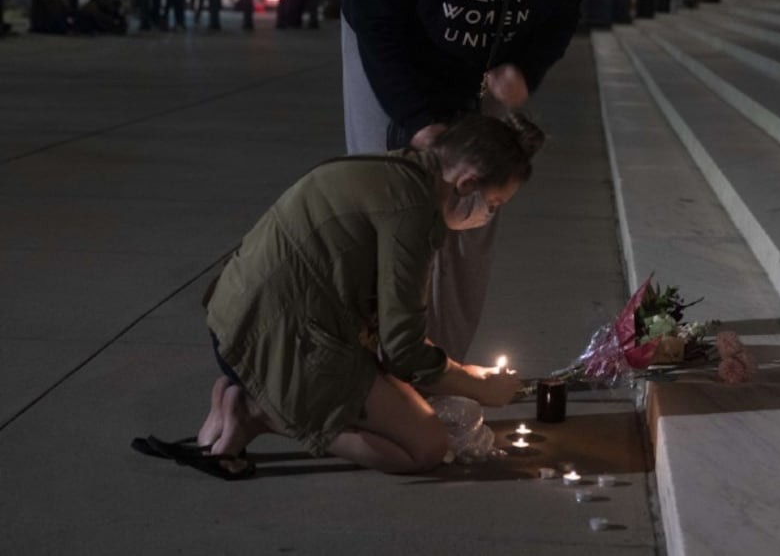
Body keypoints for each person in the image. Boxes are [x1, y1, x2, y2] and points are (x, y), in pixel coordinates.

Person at [136, 113, 540, 479]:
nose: (487, 214)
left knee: (405, 402)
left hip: (235, 322)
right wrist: (473, 383)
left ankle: (243, 395)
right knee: (424, 447)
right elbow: (403, 349)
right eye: (493, 203)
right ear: (466, 183)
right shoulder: (411, 212)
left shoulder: (397, 169)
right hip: (276, 340)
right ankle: (263, 412)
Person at [340, 0, 588, 361]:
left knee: (475, 209)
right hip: (390, 46)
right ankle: (375, 354)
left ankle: (441, 363)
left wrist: (525, 72)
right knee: (394, 195)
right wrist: (416, 120)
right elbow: (377, 21)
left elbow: (556, 26)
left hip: (480, 69)